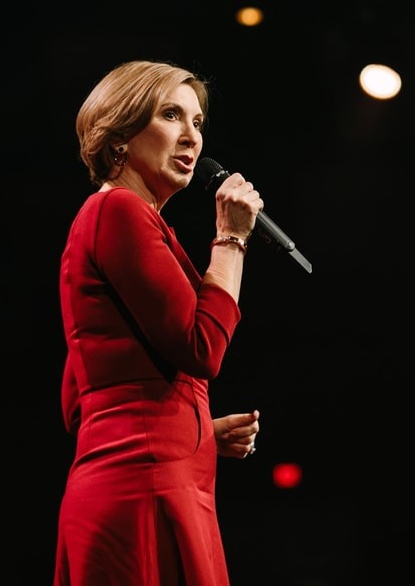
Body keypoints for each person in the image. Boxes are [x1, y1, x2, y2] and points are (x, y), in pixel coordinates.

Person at [53, 60, 264, 585]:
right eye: (171, 115)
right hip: (144, 497)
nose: (192, 136)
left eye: (198, 122)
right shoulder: (119, 212)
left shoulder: (123, 218)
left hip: (149, 483)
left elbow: (81, 400)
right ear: (120, 135)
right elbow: (202, 347)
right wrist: (231, 239)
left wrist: (194, 432)